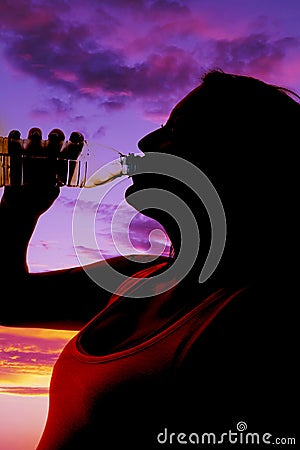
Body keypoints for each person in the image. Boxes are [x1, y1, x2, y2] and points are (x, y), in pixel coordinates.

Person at [0, 69, 298, 448]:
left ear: (238, 157)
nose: (146, 140)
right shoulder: (142, 275)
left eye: (176, 131)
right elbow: (7, 300)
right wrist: (18, 209)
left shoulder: (258, 318)